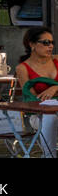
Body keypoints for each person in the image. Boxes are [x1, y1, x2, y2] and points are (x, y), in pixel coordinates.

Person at [17, 27, 58, 157]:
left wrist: (55, 87)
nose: (50, 46)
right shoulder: (22, 68)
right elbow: (34, 99)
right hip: (40, 114)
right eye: (46, 42)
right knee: (50, 117)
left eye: (52, 42)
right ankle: (49, 155)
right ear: (32, 44)